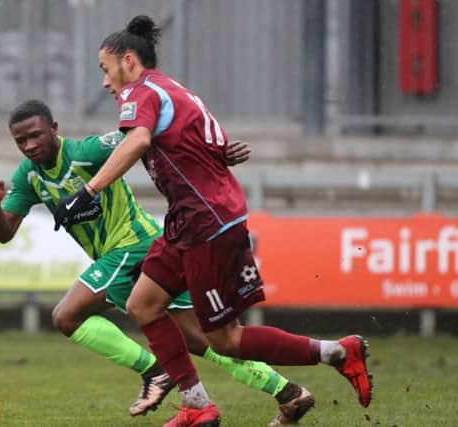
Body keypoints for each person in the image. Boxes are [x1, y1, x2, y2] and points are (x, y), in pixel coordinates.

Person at [53, 15, 373, 427]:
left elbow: (138, 140)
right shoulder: (174, 90)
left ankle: (337, 352)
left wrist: (88, 191)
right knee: (144, 305)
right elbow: (207, 143)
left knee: (225, 339)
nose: (104, 81)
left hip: (208, 223)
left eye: (104, 69)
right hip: (188, 220)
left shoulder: (141, 91)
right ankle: (197, 404)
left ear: (128, 60)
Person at [0, 99, 311, 424]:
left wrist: (213, 155)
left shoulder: (87, 152)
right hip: (144, 255)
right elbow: (5, 233)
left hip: (133, 245)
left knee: (67, 316)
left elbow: (147, 136)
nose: (29, 145)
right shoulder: (29, 177)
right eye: (21, 140)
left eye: (36, 135)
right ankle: (289, 393)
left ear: (54, 129)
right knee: (204, 340)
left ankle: (156, 372)